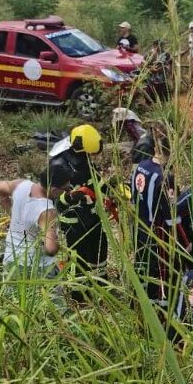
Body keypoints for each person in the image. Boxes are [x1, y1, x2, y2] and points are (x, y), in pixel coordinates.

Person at [48, 124, 109, 303]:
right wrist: (73, 197)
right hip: (73, 221)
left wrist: (113, 190)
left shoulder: (83, 161)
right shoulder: (59, 165)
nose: (90, 157)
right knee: (77, 257)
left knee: (100, 246)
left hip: (90, 216)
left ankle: (102, 284)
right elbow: (55, 199)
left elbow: (96, 181)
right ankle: (78, 294)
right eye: (89, 153)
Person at [0, 169, 69, 304]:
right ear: (55, 190)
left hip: (12, 258)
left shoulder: (21, 185)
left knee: (15, 303)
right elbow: (50, 249)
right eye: (65, 189)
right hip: (38, 266)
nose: (67, 191)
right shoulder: (46, 210)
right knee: (53, 309)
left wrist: (11, 211)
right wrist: (57, 243)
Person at [130, 128, 187, 308]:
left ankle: (136, 299)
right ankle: (157, 307)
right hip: (156, 232)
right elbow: (170, 215)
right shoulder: (165, 176)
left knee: (140, 262)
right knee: (158, 269)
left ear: (155, 148)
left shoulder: (141, 166)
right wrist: (183, 241)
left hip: (137, 225)